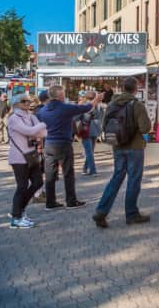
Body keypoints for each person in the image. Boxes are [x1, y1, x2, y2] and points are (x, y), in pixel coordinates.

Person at [93, 77, 152, 228]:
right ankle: (131, 213)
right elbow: (145, 128)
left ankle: (101, 211)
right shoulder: (136, 104)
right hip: (135, 146)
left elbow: (104, 124)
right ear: (135, 89)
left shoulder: (112, 103)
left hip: (118, 146)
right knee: (133, 179)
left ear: (122, 88)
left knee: (117, 177)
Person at [37, 85, 103, 210]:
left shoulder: (42, 111)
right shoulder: (65, 108)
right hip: (63, 143)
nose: (64, 95)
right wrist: (97, 99)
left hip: (49, 143)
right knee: (68, 173)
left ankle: (50, 203)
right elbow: (87, 107)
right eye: (63, 93)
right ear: (60, 95)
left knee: (50, 174)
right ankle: (71, 201)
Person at [7, 94, 47, 228]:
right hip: (18, 157)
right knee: (22, 187)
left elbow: (43, 134)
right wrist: (41, 124)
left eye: (28, 101)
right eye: (23, 101)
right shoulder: (14, 118)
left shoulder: (31, 116)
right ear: (16, 104)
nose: (27, 103)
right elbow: (29, 131)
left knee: (38, 182)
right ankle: (16, 219)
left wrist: (38, 128)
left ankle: (18, 211)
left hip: (31, 155)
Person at [75, 91, 102, 176]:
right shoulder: (98, 106)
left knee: (89, 152)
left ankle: (87, 169)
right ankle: (91, 170)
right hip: (93, 130)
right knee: (90, 152)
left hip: (87, 130)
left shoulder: (84, 106)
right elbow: (101, 117)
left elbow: (76, 118)